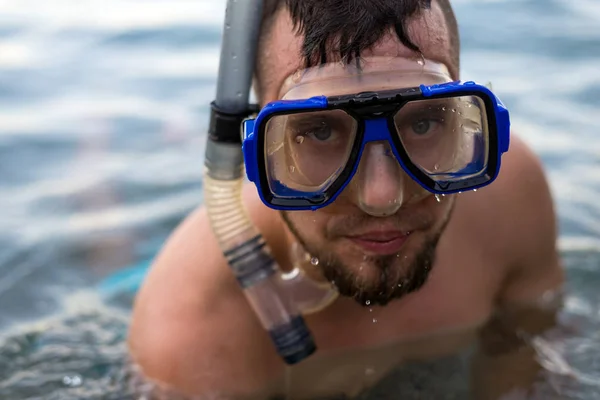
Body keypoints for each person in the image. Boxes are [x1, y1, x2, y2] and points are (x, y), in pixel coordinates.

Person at [128, 0, 565, 399]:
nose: (383, 198)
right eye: (320, 131)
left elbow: (526, 368)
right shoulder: (197, 326)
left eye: (425, 123)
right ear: (262, 154)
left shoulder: (510, 200)